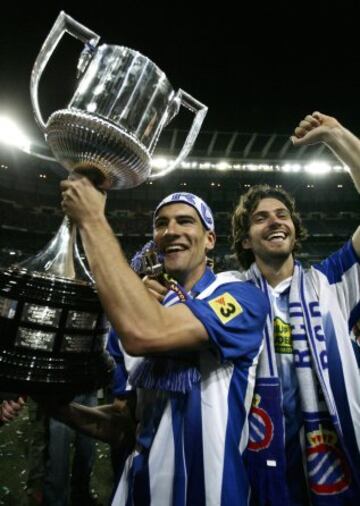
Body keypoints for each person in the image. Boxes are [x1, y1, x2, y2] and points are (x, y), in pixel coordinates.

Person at [58, 188, 269, 505]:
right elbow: (124, 426)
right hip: (139, 490)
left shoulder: (239, 295)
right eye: (161, 224)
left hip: (213, 493)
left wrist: (91, 218)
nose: (171, 231)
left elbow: (147, 331)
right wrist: (58, 408)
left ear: (209, 239)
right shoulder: (128, 320)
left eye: (185, 221)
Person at [231, 111, 360, 505]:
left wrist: (338, 137)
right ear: (246, 240)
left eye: (282, 214)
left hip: (327, 459)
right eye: (260, 218)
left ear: (295, 229)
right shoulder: (227, 294)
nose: (275, 221)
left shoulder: (330, 281)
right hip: (250, 465)